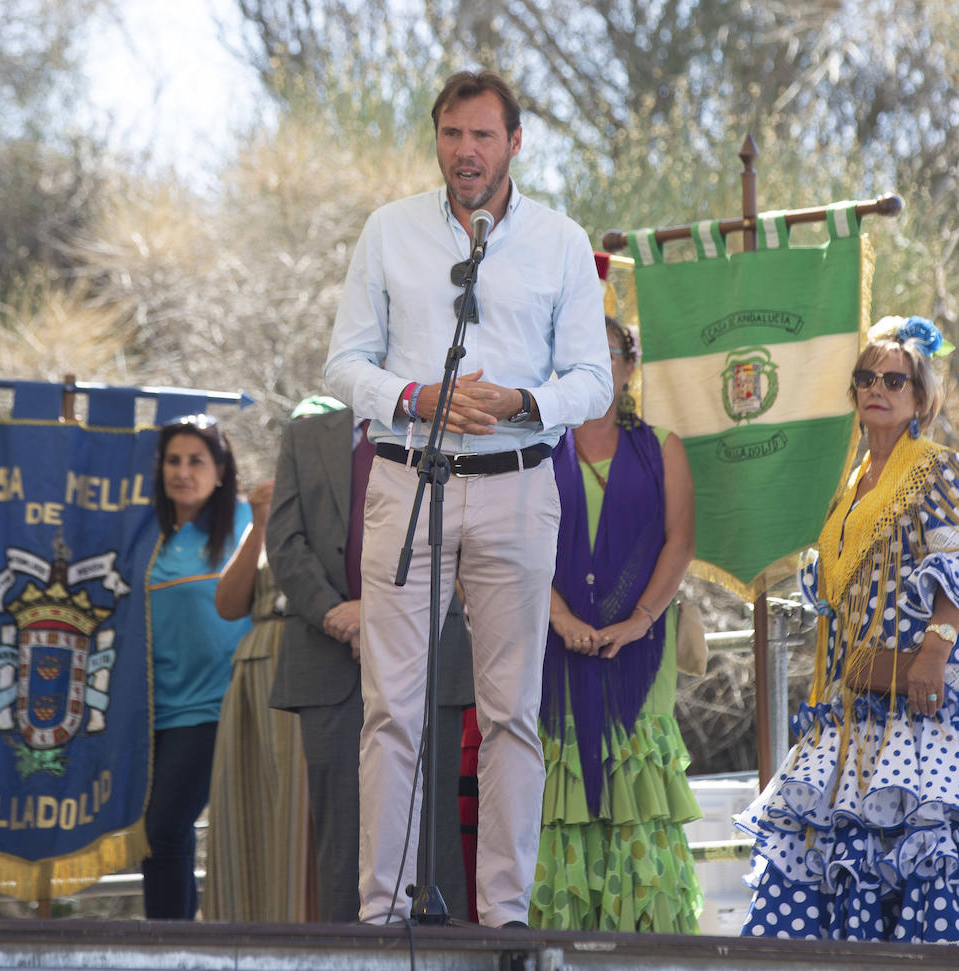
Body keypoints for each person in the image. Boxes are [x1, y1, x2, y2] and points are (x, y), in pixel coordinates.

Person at [323, 69, 611, 926]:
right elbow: (344, 363)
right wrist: (418, 399)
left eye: (483, 137)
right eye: (452, 136)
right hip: (409, 479)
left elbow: (593, 379)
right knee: (392, 708)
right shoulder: (389, 230)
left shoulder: (560, 240)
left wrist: (523, 403)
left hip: (518, 486)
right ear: (437, 139)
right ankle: (383, 913)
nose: (466, 153)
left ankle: (505, 914)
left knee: (512, 712)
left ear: (515, 143)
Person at [734, 316, 959, 944]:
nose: (877, 388)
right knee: (841, 863)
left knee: (924, 862)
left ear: (920, 396)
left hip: (919, 703)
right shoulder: (847, 484)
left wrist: (935, 652)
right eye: (865, 378)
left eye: (894, 379)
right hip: (854, 704)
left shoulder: (938, 468)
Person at [266, 396, 477, 924]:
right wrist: (337, 613)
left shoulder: (452, 431)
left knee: (433, 837)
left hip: (430, 651)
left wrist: (379, 612)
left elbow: (469, 539)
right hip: (329, 655)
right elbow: (285, 542)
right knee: (345, 834)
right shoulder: (305, 436)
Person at [531, 317, 703, 931]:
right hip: (553, 644)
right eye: (580, 356)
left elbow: (679, 543)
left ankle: (647, 941)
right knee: (564, 789)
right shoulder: (534, 451)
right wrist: (559, 617)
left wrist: (639, 619)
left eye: (606, 355)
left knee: (637, 784)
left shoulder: (662, 449)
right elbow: (512, 544)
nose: (596, 368)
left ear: (630, 366)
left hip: (641, 644)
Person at [140, 414, 251, 919]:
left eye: (196, 461)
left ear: (221, 469)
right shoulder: (144, 535)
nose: (182, 472)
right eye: (173, 460)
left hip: (212, 709)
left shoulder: (250, 524)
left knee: (163, 829)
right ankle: (177, 942)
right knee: (165, 835)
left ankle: (167, 948)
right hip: (146, 716)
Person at [204, 476, 313, 922]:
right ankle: (240, 931)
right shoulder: (271, 519)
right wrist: (261, 521)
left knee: (296, 811)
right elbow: (228, 605)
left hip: (309, 661)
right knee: (243, 809)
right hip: (253, 672)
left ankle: (297, 927)